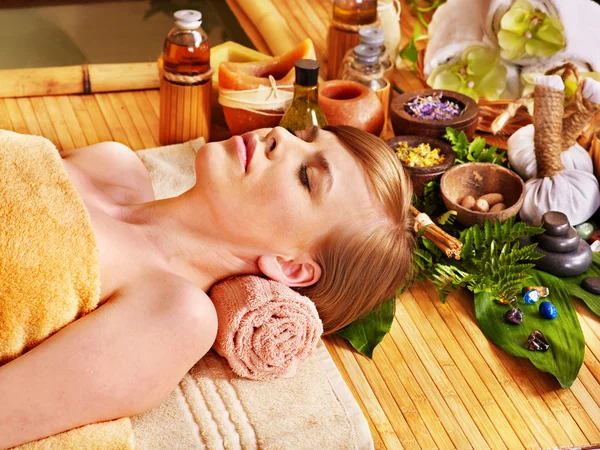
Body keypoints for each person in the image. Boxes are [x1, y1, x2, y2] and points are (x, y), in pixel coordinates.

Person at [0, 125, 414, 449]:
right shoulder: (113, 163)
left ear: (291, 267)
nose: (279, 138)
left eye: (306, 176)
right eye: (303, 135)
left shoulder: (176, 316)